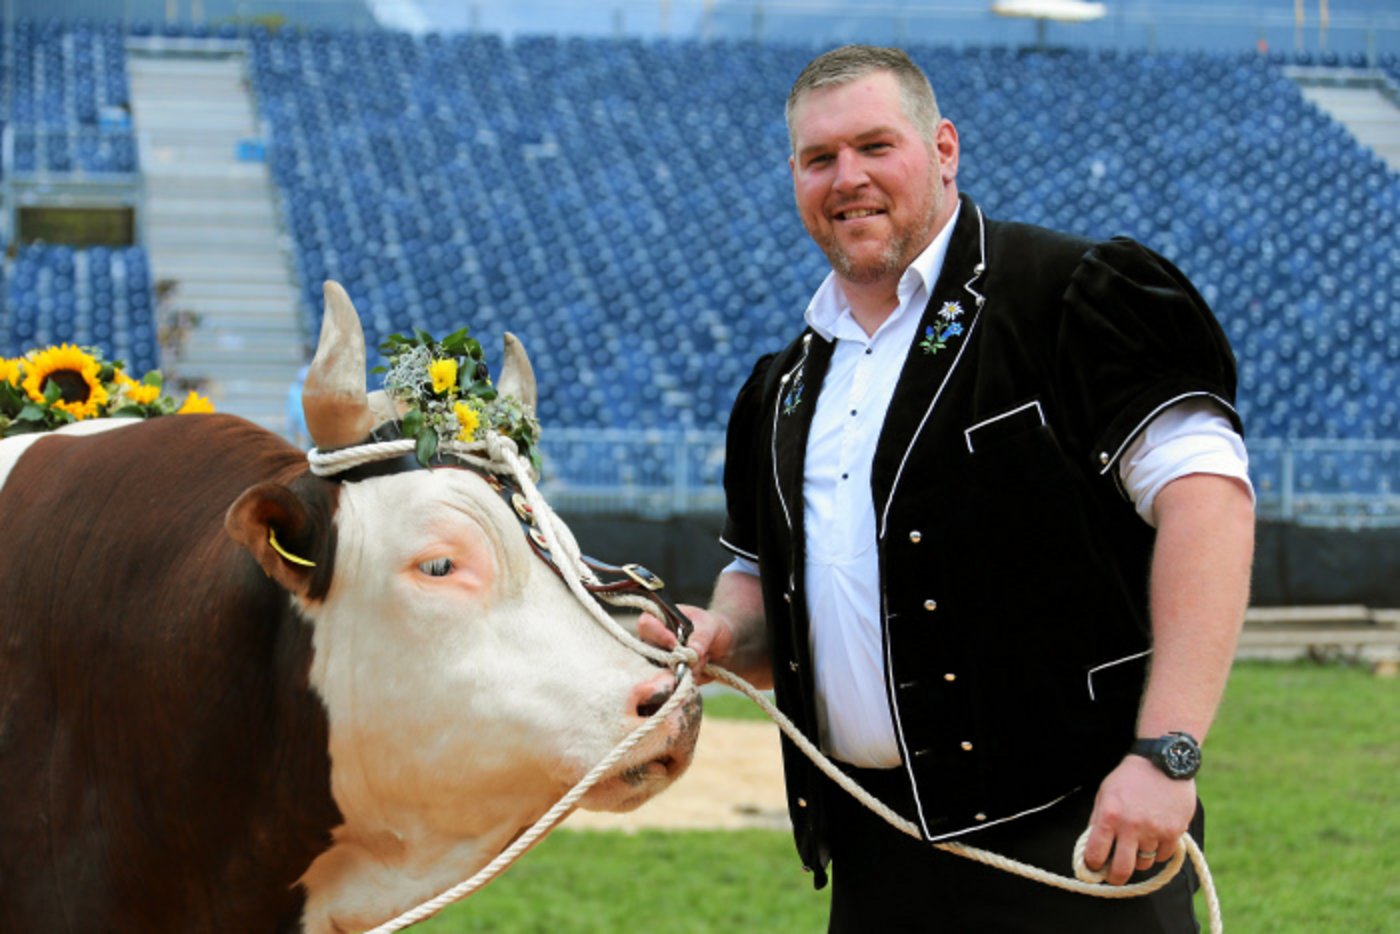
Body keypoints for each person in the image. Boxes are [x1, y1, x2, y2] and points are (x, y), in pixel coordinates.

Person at [640, 44, 1255, 932]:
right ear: (796, 176)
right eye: (820, 159)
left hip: (1085, 845)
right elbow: (768, 603)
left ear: (943, 149)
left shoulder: (1075, 294)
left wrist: (1167, 753)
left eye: (874, 146)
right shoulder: (780, 387)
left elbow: (1210, 506)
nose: (846, 177)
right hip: (875, 859)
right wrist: (716, 634)